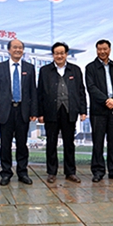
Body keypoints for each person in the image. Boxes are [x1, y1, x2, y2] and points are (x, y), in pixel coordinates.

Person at [37, 42, 87, 184]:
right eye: (56, 53)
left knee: (69, 143)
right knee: (51, 142)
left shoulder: (75, 70)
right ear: (53, 55)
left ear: (66, 54)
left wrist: (83, 110)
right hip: (51, 111)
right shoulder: (45, 70)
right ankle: (51, 172)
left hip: (69, 111)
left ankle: (70, 172)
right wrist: (40, 113)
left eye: (62, 53)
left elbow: (81, 91)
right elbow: (39, 92)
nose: (59, 56)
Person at [0, 39, 37, 186]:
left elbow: (33, 91)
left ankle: (22, 172)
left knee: (22, 144)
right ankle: (6, 173)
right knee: (5, 145)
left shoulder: (29, 68)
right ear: (9, 50)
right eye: (15, 47)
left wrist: (33, 111)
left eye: (20, 48)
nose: (18, 50)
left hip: (23, 111)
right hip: (5, 111)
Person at [85, 39, 113, 183]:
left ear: (110, 49)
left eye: (105, 49)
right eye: (99, 49)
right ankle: (98, 171)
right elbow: (91, 87)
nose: (102, 52)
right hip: (98, 110)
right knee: (98, 142)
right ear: (96, 50)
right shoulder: (90, 67)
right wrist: (106, 100)